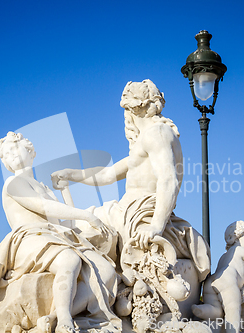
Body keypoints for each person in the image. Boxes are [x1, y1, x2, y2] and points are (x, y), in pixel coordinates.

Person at [51, 79, 211, 311]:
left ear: (134, 108)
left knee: (83, 230)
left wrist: (156, 225)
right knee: (84, 225)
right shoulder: (147, 139)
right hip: (129, 209)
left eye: (126, 111)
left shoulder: (156, 133)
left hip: (140, 211)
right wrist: (71, 173)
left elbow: (168, 179)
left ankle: (81, 300)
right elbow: (106, 175)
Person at [0, 132, 120, 333]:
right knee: (69, 259)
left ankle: (53, 317)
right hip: (29, 236)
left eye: (14, 148)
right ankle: (65, 320)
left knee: (106, 272)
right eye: (6, 154)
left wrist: (65, 191)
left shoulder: (44, 187)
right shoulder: (12, 183)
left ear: (30, 151)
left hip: (58, 236)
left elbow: (67, 225)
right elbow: (44, 207)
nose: (10, 155)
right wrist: (88, 216)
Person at [191, 221, 244, 333]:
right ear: (236, 239)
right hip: (228, 281)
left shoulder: (225, 256)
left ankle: (201, 311)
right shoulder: (240, 250)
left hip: (212, 282)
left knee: (218, 312)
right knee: (233, 310)